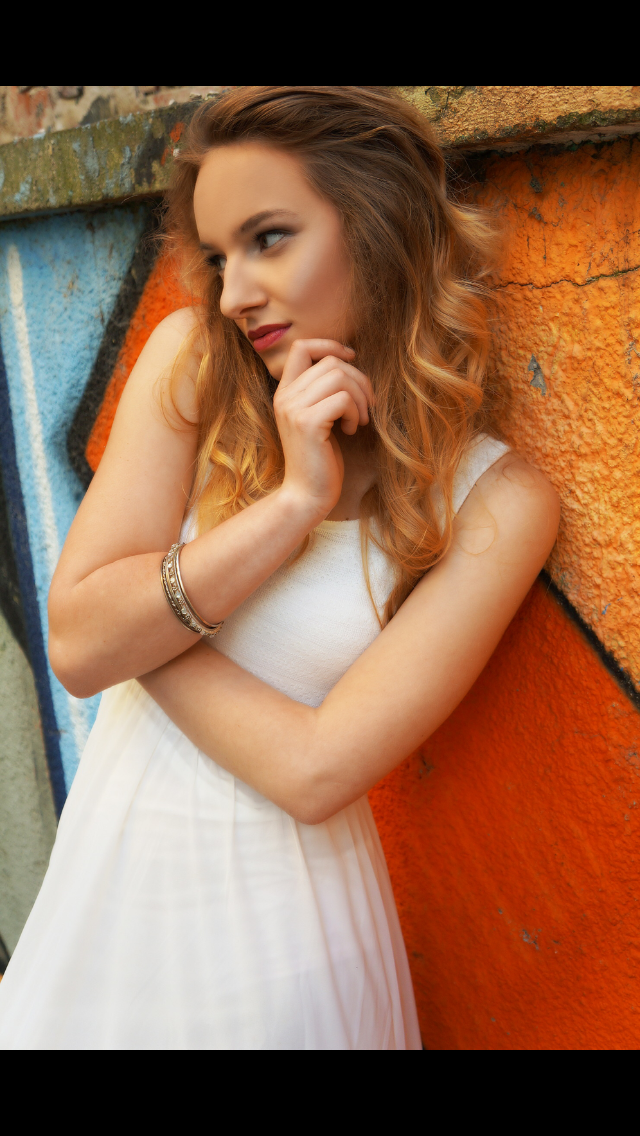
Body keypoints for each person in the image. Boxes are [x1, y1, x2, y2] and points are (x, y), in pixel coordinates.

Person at [0, 86, 559, 1050]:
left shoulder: (498, 501)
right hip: (106, 908)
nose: (232, 295)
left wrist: (134, 626)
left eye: (269, 239)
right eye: (220, 258)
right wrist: (291, 504)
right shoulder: (194, 364)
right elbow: (78, 645)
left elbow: (315, 768)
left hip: (283, 950)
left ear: (376, 225)